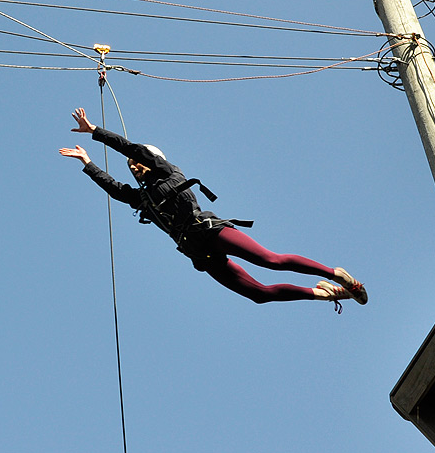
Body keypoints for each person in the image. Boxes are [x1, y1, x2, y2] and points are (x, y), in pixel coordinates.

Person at [58, 108, 367, 307]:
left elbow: (133, 147)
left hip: (210, 231)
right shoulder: (144, 199)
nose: (134, 166)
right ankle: (324, 293)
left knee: (270, 260)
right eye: (131, 166)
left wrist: (96, 131)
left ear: (152, 160)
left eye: (138, 162)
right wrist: (88, 163)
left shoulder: (168, 172)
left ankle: (336, 274)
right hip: (198, 252)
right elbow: (116, 190)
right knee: (259, 295)